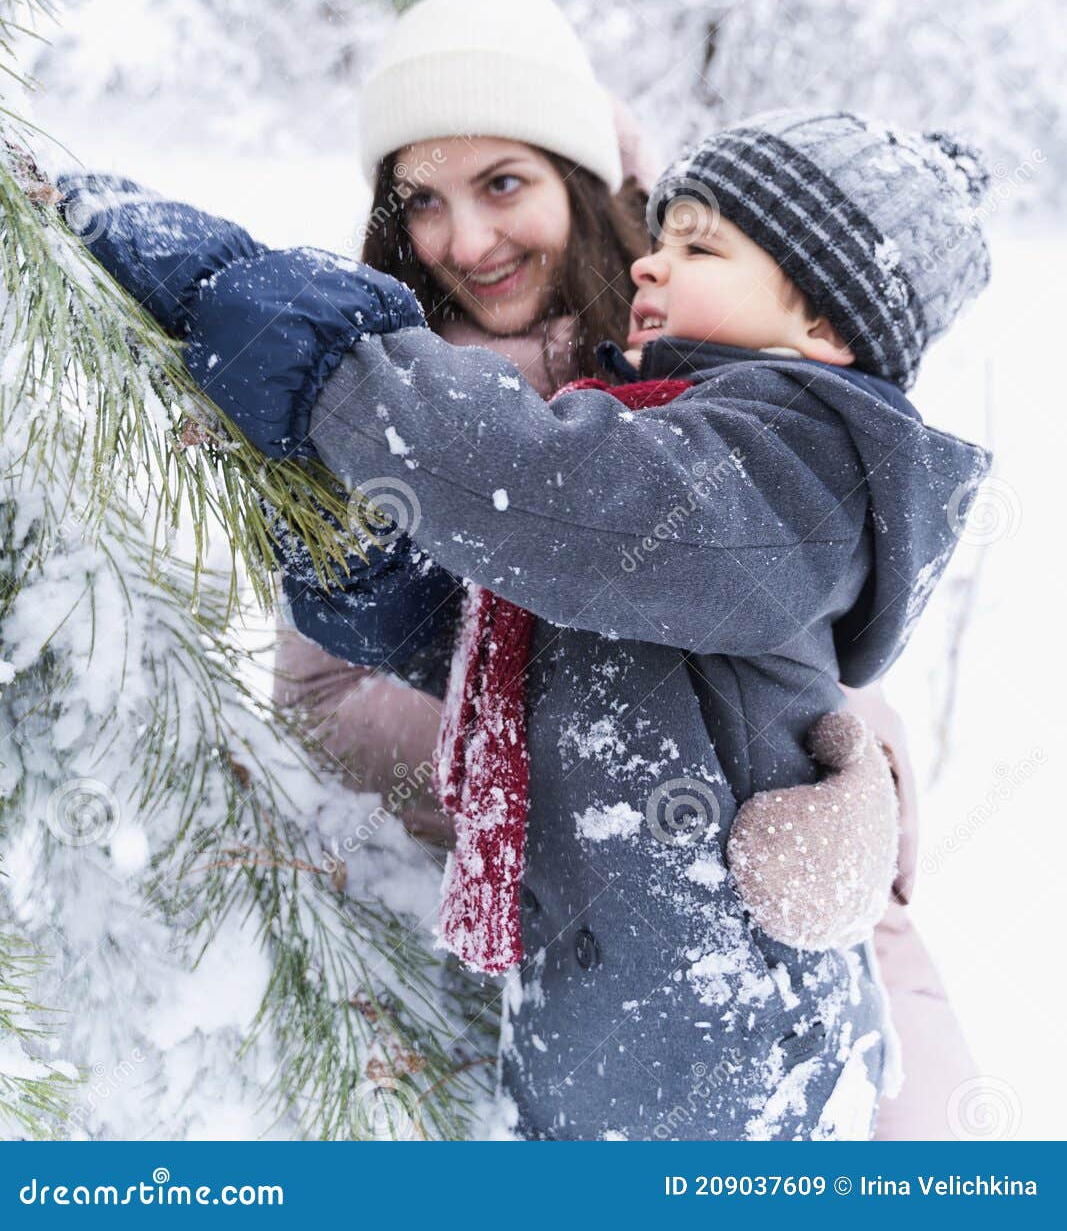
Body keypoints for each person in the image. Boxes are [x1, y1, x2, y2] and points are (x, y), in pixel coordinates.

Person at [52, 92, 993, 1140]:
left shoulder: (788, 467)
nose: (649, 261)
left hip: (721, 1064)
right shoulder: (671, 447)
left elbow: (545, 488)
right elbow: (522, 638)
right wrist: (369, 564)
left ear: (821, 323)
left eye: (698, 246)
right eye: (661, 234)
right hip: (593, 1034)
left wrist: (317, 352)